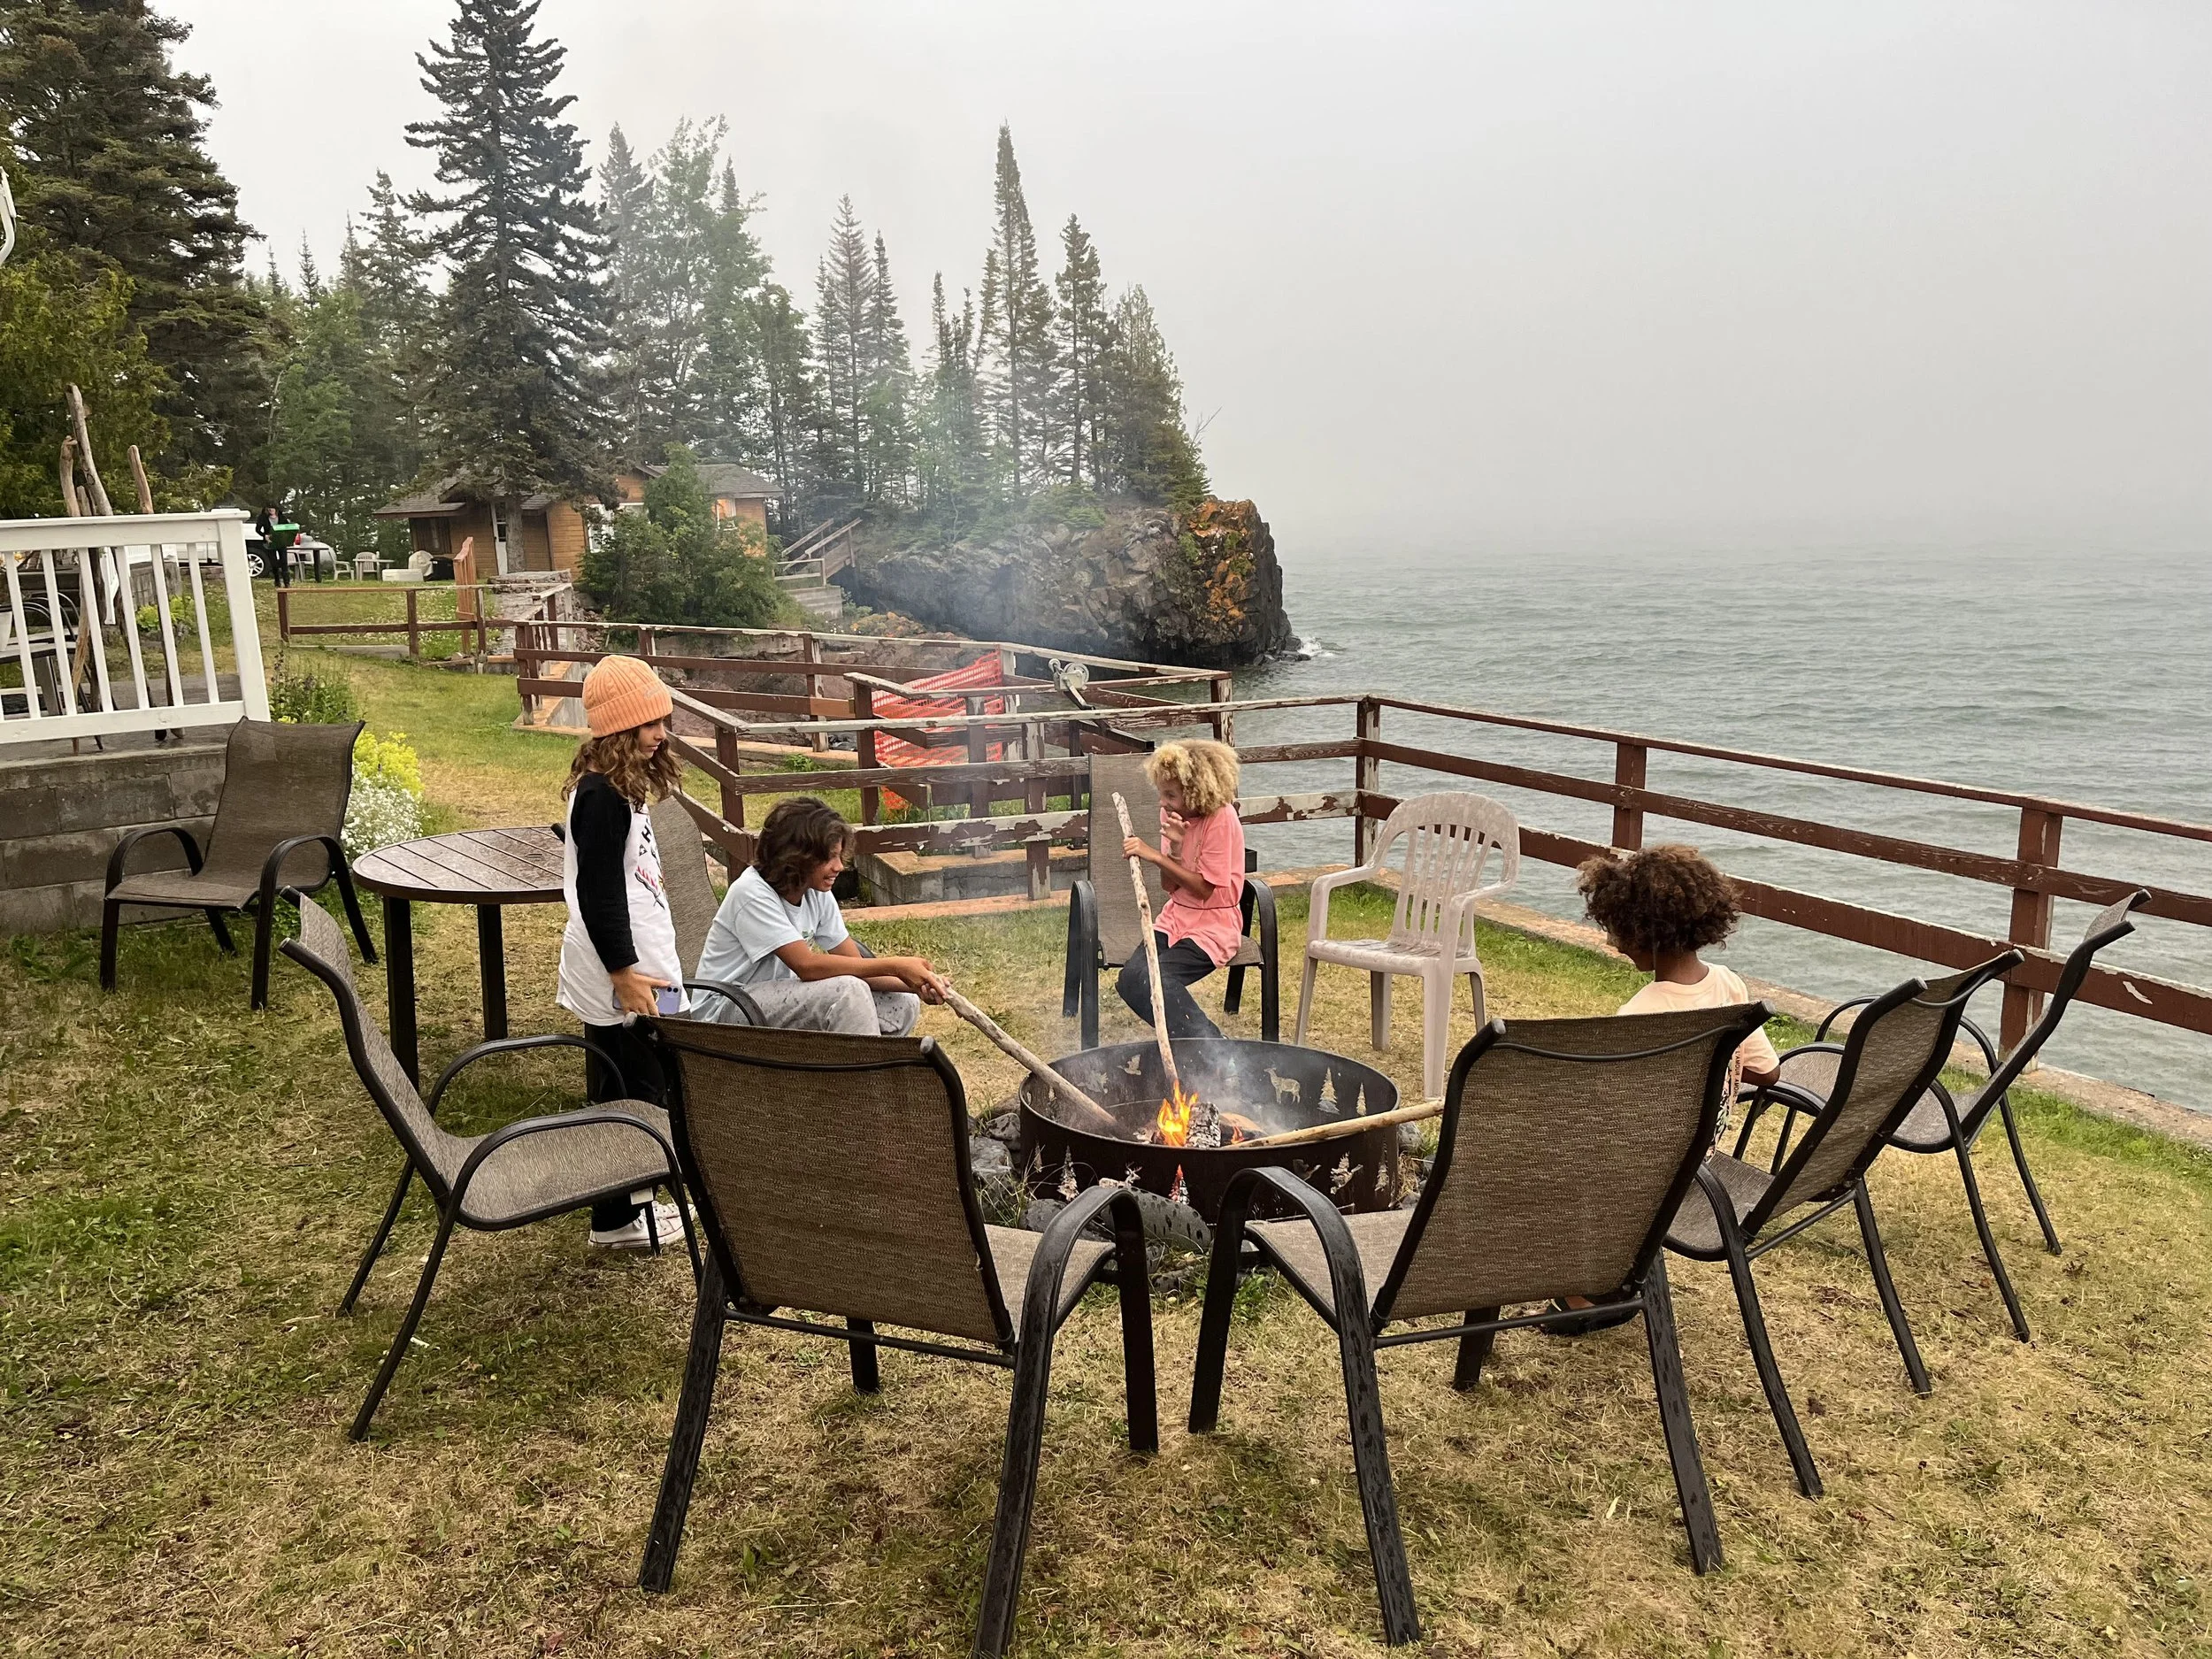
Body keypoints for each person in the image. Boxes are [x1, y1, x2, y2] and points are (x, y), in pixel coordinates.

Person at [1547, 842, 1781, 1332]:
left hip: (1645, 1171)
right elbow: (1767, 1072)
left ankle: (1583, 1300)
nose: (1613, 944)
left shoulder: (1641, 1015)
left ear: (1645, 933)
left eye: (1616, 930)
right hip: (1698, 1156)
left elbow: (1607, 1109)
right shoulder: (1728, 985)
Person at [555, 656, 687, 1249]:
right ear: (620, 728)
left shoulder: (618, 786)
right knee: (634, 1088)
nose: (661, 734)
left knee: (639, 1080)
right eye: (650, 724)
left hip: (641, 959)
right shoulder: (602, 795)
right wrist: (624, 975)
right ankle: (619, 1217)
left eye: (662, 720)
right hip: (624, 970)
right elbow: (599, 891)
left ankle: (634, 1203)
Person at [694, 795, 949, 1033]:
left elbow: (855, 964)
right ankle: (865, 1069)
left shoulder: (815, 891)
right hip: (727, 1009)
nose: (839, 866)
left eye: (839, 855)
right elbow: (806, 966)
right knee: (848, 992)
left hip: (774, 1000)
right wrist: (896, 965)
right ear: (796, 857)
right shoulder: (751, 893)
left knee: (902, 1001)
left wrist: (915, 984)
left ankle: (864, 1063)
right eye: (829, 857)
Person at [1116, 739, 1247, 1041]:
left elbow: (1204, 890)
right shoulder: (1172, 815)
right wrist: (1174, 849)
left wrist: (1156, 855)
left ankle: (1213, 1046)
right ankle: (1188, 1043)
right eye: (1161, 794)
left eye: (1171, 795)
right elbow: (1169, 886)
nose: (1162, 803)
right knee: (1131, 980)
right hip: (1175, 918)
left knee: (1160, 979)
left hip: (1214, 925)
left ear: (1195, 792)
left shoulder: (1221, 818)